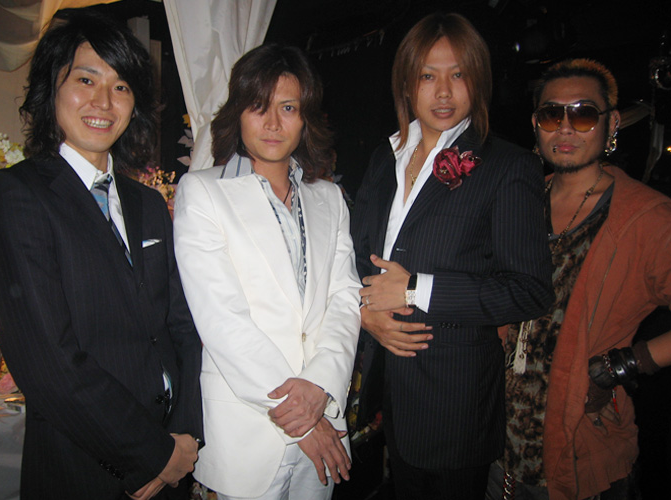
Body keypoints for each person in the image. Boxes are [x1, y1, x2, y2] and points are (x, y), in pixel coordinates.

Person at [0, 9, 203, 500]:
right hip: (85, 468)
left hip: (172, 457)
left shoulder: (147, 203)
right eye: (85, 79)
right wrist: (152, 455)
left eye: (121, 86)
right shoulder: (13, 195)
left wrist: (185, 437)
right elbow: (50, 365)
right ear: (50, 88)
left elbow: (182, 328)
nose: (104, 101)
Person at [350, 12, 554, 500]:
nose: (443, 92)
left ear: (477, 81)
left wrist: (414, 288)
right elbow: (356, 253)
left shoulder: (507, 166)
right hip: (382, 388)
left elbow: (530, 291)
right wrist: (363, 310)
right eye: (428, 76)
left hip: (453, 405)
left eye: (458, 74)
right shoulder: (384, 157)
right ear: (407, 84)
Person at [173, 44, 361, 500]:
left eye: (288, 108)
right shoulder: (202, 192)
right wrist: (304, 421)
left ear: (306, 118)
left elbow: (344, 299)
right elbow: (221, 319)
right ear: (238, 113)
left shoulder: (329, 198)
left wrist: (321, 387)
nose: (274, 123)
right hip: (249, 425)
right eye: (259, 106)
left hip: (322, 409)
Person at [486, 59, 671, 500]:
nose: (566, 127)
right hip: (495, 452)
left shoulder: (646, 217)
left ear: (612, 124)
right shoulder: (517, 199)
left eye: (583, 113)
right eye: (552, 114)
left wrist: (624, 365)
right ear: (536, 125)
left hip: (579, 454)